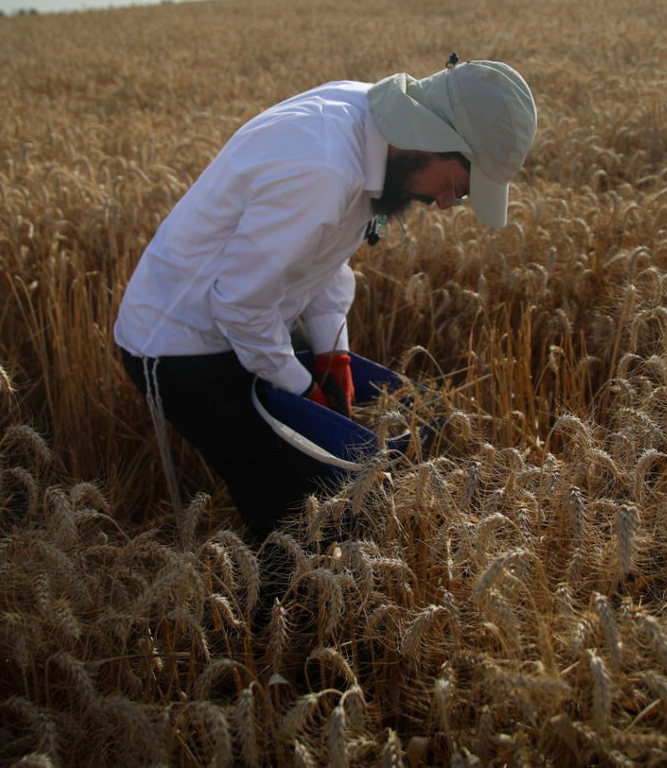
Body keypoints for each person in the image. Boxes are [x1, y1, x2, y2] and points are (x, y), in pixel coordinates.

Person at [114, 56, 538, 539]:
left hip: (252, 316)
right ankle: (279, 608)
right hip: (180, 345)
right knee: (298, 510)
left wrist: (332, 349)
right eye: (456, 188)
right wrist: (305, 391)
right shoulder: (323, 166)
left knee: (330, 497)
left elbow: (323, 257)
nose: (445, 204)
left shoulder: (370, 124)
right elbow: (237, 306)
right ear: (433, 137)